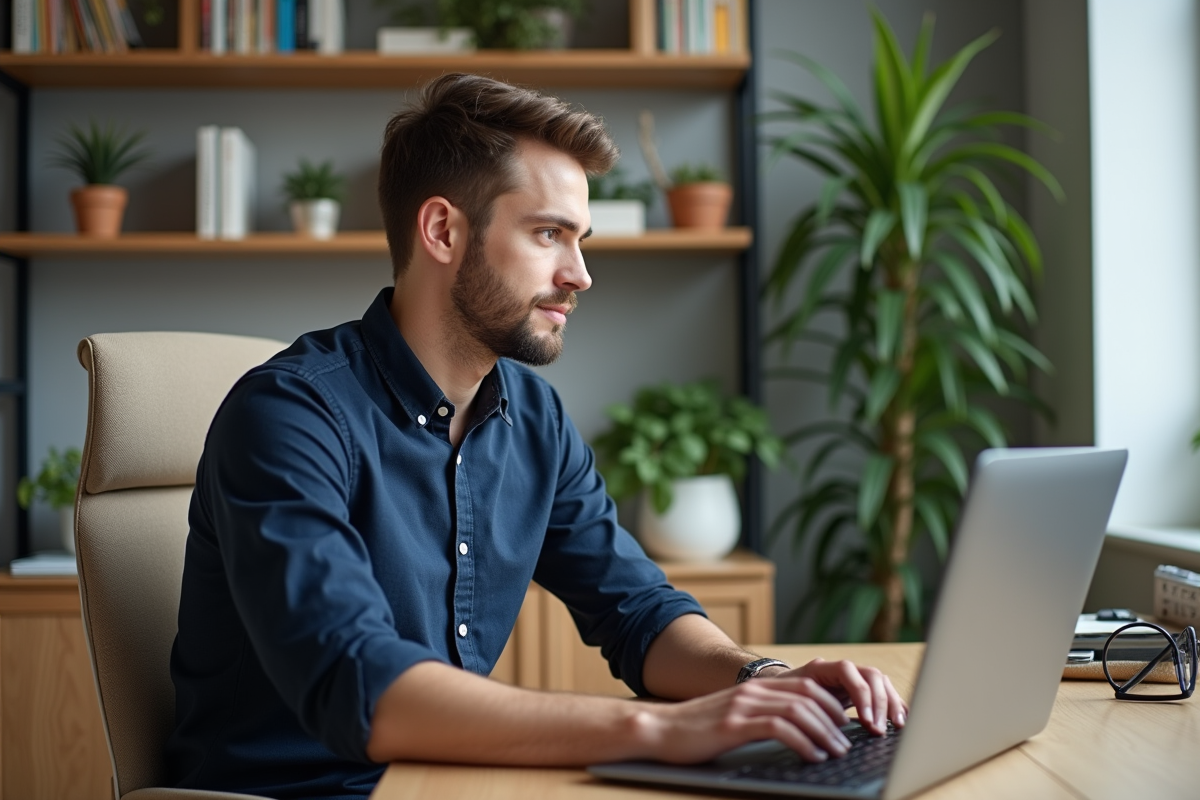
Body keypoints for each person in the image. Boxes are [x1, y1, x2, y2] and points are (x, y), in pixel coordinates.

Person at [165, 73, 907, 799]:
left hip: (453, 781)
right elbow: (362, 685)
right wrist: (658, 731)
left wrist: (762, 680)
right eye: (549, 233)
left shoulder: (534, 419)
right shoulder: (289, 415)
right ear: (443, 230)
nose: (579, 274)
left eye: (579, 239)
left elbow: (638, 612)